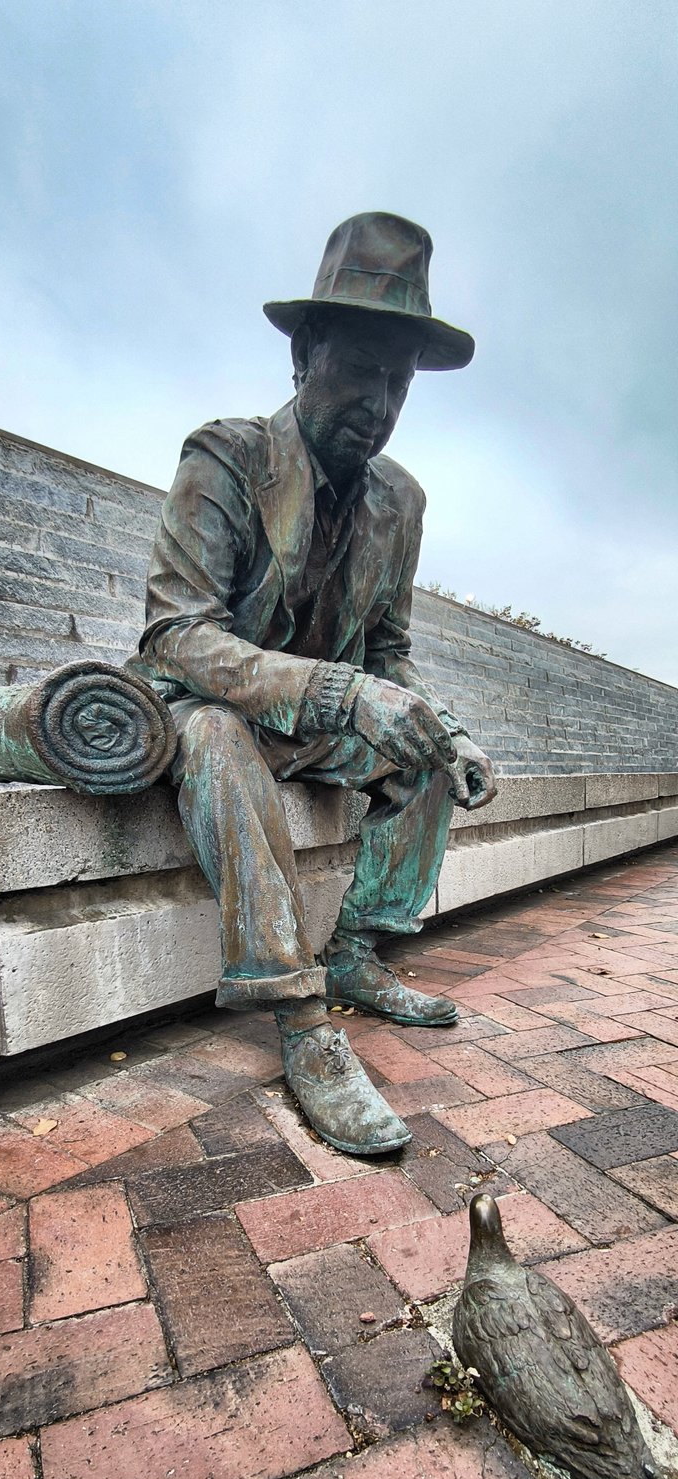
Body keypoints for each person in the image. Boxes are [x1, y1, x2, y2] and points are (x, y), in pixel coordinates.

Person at [138, 212, 496, 1157]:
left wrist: (442, 725)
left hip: (318, 721)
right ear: (305, 354)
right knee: (214, 735)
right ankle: (302, 1023)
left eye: (398, 382)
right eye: (362, 370)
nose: (378, 401)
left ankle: (356, 954)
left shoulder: (402, 502)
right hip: (211, 708)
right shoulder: (227, 457)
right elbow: (176, 633)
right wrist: (345, 695)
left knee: (422, 739)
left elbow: (390, 652)